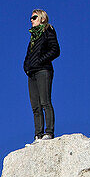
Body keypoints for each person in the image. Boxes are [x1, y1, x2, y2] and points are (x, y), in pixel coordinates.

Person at [23, 9, 60, 141]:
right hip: (31, 73)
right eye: (31, 18)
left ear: (42, 18)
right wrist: (26, 66)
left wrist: (40, 60)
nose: (31, 20)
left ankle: (49, 132)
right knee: (35, 106)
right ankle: (37, 135)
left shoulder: (48, 31)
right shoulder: (33, 37)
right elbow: (29, 54)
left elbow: (55, 50)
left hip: (43, 70)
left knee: (45, 102)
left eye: (34, 17)